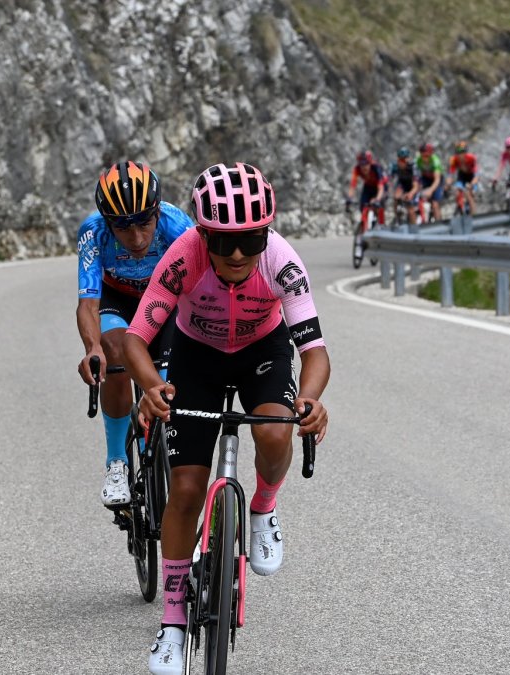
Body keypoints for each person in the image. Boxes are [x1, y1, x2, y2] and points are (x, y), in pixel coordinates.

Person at [124, 162, 331, 675]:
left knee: (273, 428)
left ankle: (262, 508)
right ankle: (172, 625)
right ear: (202, 233)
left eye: (251, 239)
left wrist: (308, 400)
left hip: (262, 351)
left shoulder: (281, 262)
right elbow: (134, 339)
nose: (237, 254)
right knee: (187, 491)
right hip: (197, 356)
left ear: (266, 233)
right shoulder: (183, 256)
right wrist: (152, 387)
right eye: (222, 242)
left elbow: (315, 352)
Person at [75, 161, 193, 508]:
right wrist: (92, 347)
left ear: (157, 212)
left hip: (163, 301)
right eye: (124, 228)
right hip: (119, 303)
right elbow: (87, 304)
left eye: (144, 223)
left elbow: (198, 292)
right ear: (109, 223)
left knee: (168, 384)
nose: (138, 238)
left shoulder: (177, 226)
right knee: (115, 351)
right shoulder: (93, 232)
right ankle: (117, 461)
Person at [347, 150, 387, 232]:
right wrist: (349, 198)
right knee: (363, 206)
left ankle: (381, 226)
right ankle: (364, 227)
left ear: (370, 162)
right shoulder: (357, 169)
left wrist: (377, 199)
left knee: (378, 206)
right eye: (361, 164)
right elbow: (352, 186)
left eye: (366, 163)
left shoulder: (376, 168)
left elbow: (381, 188)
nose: (364, 167)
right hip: (368, 186)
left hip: (381, 187)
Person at [449, 140, 480, 215]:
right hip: (462, 176)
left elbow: (477, 175)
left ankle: (473, 214)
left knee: (469, 194)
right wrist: (448, 184)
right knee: (457, 192)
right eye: (458, 153)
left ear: (466, 152)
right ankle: (459, 207)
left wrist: (472, 184)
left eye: (463, 152)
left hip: (471, 176)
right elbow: (450, 173)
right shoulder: (454, 159)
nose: (461, 155)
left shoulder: (472, 158)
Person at [389, 147, 419, 224]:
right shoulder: (394, 166)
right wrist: (392, 191)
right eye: (400, 160)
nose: (401, 163)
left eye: (403, 160)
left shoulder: (413, 167)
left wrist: (411, 194)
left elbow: (416, 185)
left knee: (410, 207)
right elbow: (389, 180)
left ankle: (414, 227)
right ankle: (397, 217)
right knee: (396, 197)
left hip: (414, 186)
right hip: (403, 185)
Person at [415, 143, 445, 220]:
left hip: (436, 180)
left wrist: (430, 190)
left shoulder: (435, 161)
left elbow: (437, 179)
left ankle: (438, 223)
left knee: (435, 204)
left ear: (431, 154)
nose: (425, 158)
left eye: (427, 156)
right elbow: (416, 177)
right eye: (423, 156)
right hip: (425, 178)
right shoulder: (418, 160)